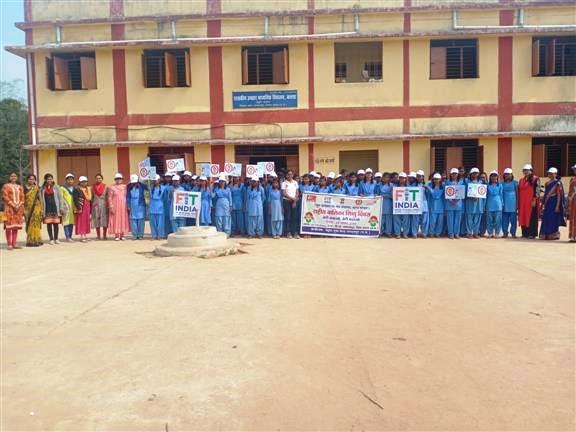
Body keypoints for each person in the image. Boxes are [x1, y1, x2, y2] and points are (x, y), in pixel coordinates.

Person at [539, 167, 565, 240]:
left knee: (553, 219)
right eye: (549, 173)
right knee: (546, 218)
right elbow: (546, 194)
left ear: (555, 174)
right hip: (548, 203)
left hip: (554, 202)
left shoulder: (558, 183)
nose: (550, 175)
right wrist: (543, 203)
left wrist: (557, 206)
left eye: (552, 173)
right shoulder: (547, 183)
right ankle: (545, 234)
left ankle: (553, 234)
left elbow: (559, 195)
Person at [2, 172, 25, 250]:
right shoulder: (6, 186)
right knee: (9, 226)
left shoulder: (20, 187)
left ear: (17, 177)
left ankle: (14, 243)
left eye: (15, 176)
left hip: (18, 209)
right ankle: (9, 244)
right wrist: (13, 205)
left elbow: (22, 197)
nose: (13, 177)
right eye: (11, 176)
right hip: (9, 208)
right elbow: (5, 196)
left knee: (15, 226)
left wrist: (19, 205)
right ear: (9, 177)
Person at [518, 164, 540, 239]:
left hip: (531, 202)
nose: (526, 172)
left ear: (531, 171)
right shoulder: (521, 180)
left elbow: (537, 190)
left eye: (527, 170)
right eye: (524, 170)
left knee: (532, 217)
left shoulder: (536, 179)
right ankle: (525, 233)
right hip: (523, 202)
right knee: (523, 217)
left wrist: (534, 200)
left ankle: (532, 234)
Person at [40, 173, 62, 245]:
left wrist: (61, 207)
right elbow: (41, 199)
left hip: (55, 207)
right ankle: (51, 239)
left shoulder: (56, 187)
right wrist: (42, 208)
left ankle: (56, 238)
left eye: (51, 179)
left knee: (56, 224)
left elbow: (60, 198)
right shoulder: (42, 188)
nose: (49, 180)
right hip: (47, 208)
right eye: (48, 179)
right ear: (45, 180)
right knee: (49, 224)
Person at [107, 173, 129, 241]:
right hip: (115, 205)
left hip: (123, 205)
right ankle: (116, 235)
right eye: (117, 179)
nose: (118, 180)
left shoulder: (125, 187)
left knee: (123, 219)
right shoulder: (111, 187)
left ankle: (122, 235)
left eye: (120, 179)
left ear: (122, 179)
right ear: (115, 180)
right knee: (116, 219)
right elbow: (109, 198)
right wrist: (111, 206)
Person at [23, 174, 43, 247]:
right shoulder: (23, 188)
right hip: (27, 208)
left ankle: (37, 240)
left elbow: (40, 198)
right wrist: (23, 210)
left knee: (36, 223)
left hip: (36, 207)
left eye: (33, 179)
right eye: (30, 179)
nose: (31, 180)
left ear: (35, 180)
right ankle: (30, 240)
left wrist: (42, 208)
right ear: (27, 180)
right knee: (29, 224)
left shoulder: (37, 188)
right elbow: (23, 199)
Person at [126, 174, 148, 240]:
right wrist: (128, 205)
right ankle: (135, 235)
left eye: (135, 182)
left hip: (140, 205)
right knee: (133, 220)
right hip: (132, 204)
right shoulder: (129, 187)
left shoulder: (141, 185)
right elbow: (128, 197)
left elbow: (147, 188)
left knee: (141, 220)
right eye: (133, 183)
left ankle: (140, 235)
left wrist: (146, 181)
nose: (134, 184)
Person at [445, 168, 464, 239]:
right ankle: (451, 233)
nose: (454, 175)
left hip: (458, 203)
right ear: (450, 174)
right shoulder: (447, 182)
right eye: (453, 174)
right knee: (450, 220)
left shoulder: (461, 182)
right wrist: (451, 200)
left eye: (455, 174)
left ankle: (456, 233)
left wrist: (456, 201)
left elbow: (462, 192)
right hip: (449, 204)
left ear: (458, 174)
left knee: (458, 220)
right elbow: (446, 192)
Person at [465, 167, 484, 239]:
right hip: (470, 202)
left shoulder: (481, 182)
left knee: (477, 219)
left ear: (478, 174)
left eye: (476, 173)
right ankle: (469, 233)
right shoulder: (467, 182)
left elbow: (483, 192)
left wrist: (478, 197)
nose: (475, 174)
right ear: (471, 174)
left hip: (479, 203)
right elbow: (464, 192)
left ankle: (476, 233)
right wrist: (471, 197)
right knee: (469, 219)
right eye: (473, 173)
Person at [282, 169, 300, 239]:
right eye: (288, 174)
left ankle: (295, 232)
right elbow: (284, 193)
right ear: (286, 175)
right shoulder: (284, 183)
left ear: (293, 175)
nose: (290, 175)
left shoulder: (295, 182)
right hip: (287, 201)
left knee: (294, 217)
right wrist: (292, 199)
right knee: (288, 217)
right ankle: (288, 232)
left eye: (291, 174)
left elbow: (297, 192)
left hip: (294, 202)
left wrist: (294, 201)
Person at [73, 176, 92, 242]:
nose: (84, 183)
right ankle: (82, 236)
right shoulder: (77, 189)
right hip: (81, 207)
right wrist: (78, 207)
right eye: (82, 182)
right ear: (80, 182)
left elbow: (90, 200)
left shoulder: (88, 189)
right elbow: (75, 199)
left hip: (87, 207)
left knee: (86, 221)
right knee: (81, 221)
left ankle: (85, 235)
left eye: (85, 182)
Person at [485, 171, 503, 238]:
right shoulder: (487, 185)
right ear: (490, 177)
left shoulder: (500, 185)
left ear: (497, 177)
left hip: (498, 204)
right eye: (492, 176)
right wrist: (484, 205)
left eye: (495, 176)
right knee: (489, 219)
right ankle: (490, 233)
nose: (493, 177)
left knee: (498, 220)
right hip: (489, 203)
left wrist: (502, 204)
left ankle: (497, 233)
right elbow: (486, 195)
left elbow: (501, 195)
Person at [501, 168, 518, 238]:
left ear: (512, 175)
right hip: (504, 203)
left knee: (513, 220)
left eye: (509, 174)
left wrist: (517, 203)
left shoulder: (515, 183)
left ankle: (513, 233)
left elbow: (517, 193)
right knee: (504, 220)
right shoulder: (501, 183)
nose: (507, 175)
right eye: (506, 174)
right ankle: (505, 232)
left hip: (513, 204)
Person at [393, 172, 410, 239]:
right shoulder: (395, 186)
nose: (402, 179)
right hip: (397, 205)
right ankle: (398, 234)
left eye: (403, 178)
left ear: (405, 179)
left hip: (406, 206)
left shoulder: (409, 187)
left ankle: (405, 234)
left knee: (406, 220)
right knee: (397, 220)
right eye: (400, 178)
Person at [91, 173, 108, 240]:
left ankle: (104, 235)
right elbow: (92, 197)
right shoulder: (93, 187)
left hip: (103, 205)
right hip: (96, 205)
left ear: (102, 179)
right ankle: (98, 235)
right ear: (95, 179)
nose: (98, 179)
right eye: (97, 178)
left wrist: (107, 205)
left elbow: (107, 196)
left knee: (104, 220)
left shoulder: (105, 187)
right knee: (96, 220)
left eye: (100, 178)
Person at [149, 174, 166, 240]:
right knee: (153, 223)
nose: (155, 181)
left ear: (159, 180)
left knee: (160, 223)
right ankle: (154, 235)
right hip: (152, 207)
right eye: (154, 180)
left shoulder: (163, 188)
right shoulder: (150, 187)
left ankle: (160, 235)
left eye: (156, 180)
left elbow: (165, 198)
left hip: (160, 207)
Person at [60, 173, 76, 241]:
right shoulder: (62, 188)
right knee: (66, 222)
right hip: (66, 207)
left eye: (71, 179)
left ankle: (70, 236)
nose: (70, 181)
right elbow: (60, 198)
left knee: (71, 222)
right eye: (68, 179)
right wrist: (61, 207)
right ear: (66, 180)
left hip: (73, 207)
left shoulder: (75, 188)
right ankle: (67, 237)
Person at [428, 173, 444, 237]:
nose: (436, 180)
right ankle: (431, 233)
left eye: (437, 179)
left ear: (440, 179)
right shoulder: (430, 186)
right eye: (435, 179)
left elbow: (436, 196)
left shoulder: (442, 187)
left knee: (440, 222)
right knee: (432, 222)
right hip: (433, 207)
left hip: (441, 207)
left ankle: (438, 233)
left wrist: (431, 190)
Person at [379, 173, 394, 237]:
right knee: (381, 220)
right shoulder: (379, 185)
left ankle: (388, 232)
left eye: (388, 177)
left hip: (389, 204)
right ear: (382, 178)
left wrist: (384, 195)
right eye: (385, 177)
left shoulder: (392, 185)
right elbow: (377, 194)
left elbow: (393, 195)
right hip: (381, 204)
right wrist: (385, 195)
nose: (386, 178)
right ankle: (380, 232)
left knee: (389, 220)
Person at [569, 164, 576, 242]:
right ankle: (573, 236)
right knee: (573, 217)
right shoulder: (572, 179)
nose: (574, 171)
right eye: (574, 169)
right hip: (573, 201)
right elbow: (570, 191)